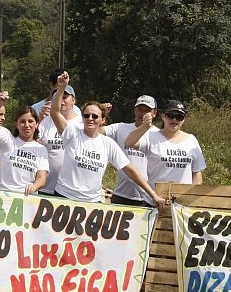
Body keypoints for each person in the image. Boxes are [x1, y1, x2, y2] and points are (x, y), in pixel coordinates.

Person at [49, 72, 167, 211]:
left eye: (95, 116)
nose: (90, 118)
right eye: (86, 115)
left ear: (103, 120)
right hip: (64, 197)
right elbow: (55, 112)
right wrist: (61, 87)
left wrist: (153, 195)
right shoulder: (72, 133)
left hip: (91, 204)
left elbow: (129, 169)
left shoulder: (108, 143)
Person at [0, 92, 49, 292]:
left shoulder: (41, 149)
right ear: (16, 124)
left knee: (20, 251)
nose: (26, 125)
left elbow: (42, 177)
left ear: (36, 124)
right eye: (22, 121)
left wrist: (35, 186)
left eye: (30, 121)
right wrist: (0, 103)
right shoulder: (8, 141)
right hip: (3, 202)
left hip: (26, 205)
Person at [125, 99, 206, 203]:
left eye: (179, 117)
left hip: (182, 203)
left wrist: (194, 198)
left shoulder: (191, 140)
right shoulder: (151, 136)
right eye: (170, 116)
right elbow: (129, 142)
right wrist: (145, 126)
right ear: (163, 116)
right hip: (155, 201)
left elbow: (197, 172)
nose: (174, 120)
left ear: (184, 119)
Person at [103, 95, 159, 207]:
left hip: (148, 197)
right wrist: (103, 114)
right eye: (139, 109)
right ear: (134, 110)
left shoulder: (159, 135)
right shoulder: (120, 128)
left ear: (154, 113)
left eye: (147, 110)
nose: (142, 113)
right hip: (121, 194)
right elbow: (95, 131)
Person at [37, 80, 82, 195]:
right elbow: (33, 142)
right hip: (45, 186)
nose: (61, 101)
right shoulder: (46, 121)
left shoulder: (82, 123)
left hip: (70, 189)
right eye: (58, 97)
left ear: (74, 100)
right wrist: (39, 119)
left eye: (65, 97)